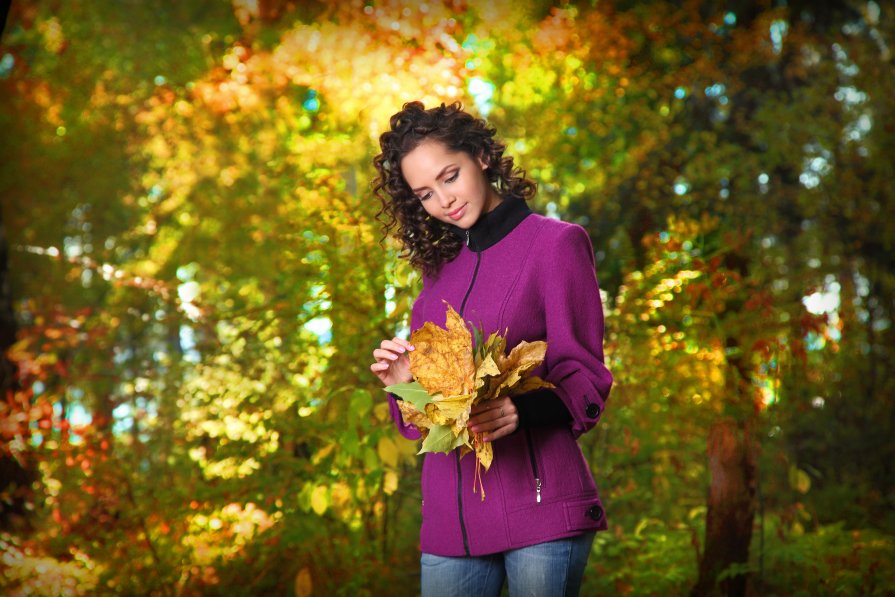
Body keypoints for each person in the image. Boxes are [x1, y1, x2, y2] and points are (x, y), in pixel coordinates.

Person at [369, 101, 612, 597]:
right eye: (426, 194)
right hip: (449, 526)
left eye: (449, 176)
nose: (444, 200)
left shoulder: (556, 244)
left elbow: (585, 375)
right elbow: (430, 420)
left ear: (480, 155)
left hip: (541, 509)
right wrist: (403, 387)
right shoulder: (434, 281)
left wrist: (521, 410)